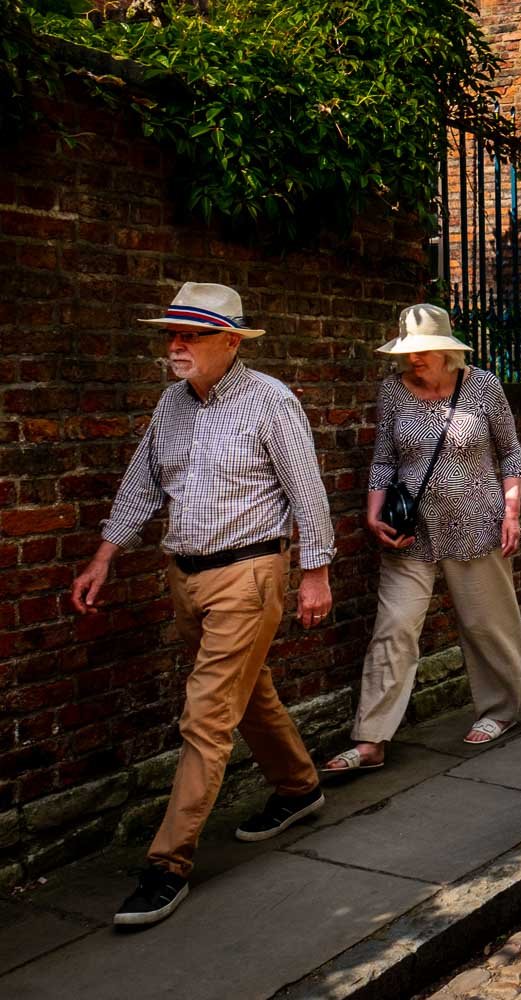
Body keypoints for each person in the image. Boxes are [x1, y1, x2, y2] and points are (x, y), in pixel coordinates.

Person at [71, 282, 333, 928]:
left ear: (230, 341)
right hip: (185, 578)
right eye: (172, 334)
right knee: (249, 692)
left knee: (207, 715)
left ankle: (167, 865)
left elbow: (308, 490)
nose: (176, 345)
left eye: (190, 334)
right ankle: (300, 787)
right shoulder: (171, 406)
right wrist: (104, 555)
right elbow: (141, 483)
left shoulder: (270, 401)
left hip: (250, 576)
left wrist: (315, 573)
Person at [321, 304, 521, 774]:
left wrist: (511, 513)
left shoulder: (482, 386)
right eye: (408, 352)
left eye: (421, 351)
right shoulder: (393, 391)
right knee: (394, 628)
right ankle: (371, 738)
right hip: (411, 530)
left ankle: (501, 709)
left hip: (478, 523)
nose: (413, 360)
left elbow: (511, 452)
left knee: (486, 624)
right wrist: (373, 510)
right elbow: (383, 459)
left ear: (445, 351)